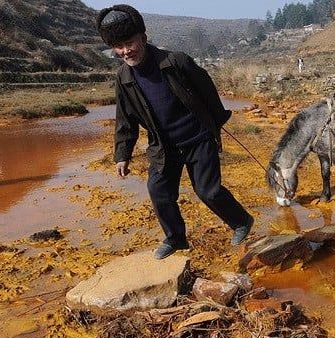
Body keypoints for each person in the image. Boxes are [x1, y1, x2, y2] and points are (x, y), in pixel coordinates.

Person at [96, 4, 254, 259]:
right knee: (159, 191)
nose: (126, 51)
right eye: (119, 47)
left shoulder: (175, 61)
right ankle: (176, 238)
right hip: (163, 146)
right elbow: (125, 118)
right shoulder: (124, 77)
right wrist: (122, 154)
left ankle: (241, 221)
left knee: (208, 191)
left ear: (143, 38)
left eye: (129, 43)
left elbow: (207, 91)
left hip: (198, 139)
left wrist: (215, 125)